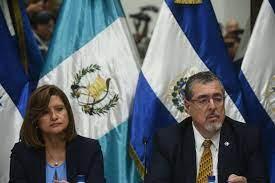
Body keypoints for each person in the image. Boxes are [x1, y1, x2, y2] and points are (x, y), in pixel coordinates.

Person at [145, 71, 267, 183]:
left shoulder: (247, 136)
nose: (213, 106)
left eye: (218, 99)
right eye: (203, 100)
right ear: (188, 107)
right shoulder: (168, 140)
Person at [9, 85, 105, 183]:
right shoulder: (21, 153)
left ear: (68, 112)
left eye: (59, 109)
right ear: (35, 119)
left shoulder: (89, 149)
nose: (54, 117)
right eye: (45, 112)